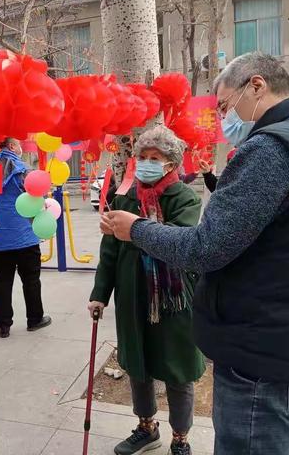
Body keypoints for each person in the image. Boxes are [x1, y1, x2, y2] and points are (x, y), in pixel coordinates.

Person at [101, 52, 289, 454]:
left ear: (257, 86)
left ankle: (178, 433)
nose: (225, 118)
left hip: (262, 354)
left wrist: (138, 229)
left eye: (226, 106)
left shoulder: (271, 148)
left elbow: (207, 246)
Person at [89, 127, 204, 455]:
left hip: (172, 298)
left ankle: (180, 437)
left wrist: (135, 231)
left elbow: (180, 240)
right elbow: (109, 249)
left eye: (156, 158)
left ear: (171, 164)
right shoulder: (126, 197)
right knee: (137, 363)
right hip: (132, 295)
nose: (147, 163)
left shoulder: (184, 197)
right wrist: (100, 293)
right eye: (142, 157)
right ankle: (146, 426)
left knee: (177, 369)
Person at [0, 137, 51, 338]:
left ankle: (3, 325)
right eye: (19, 144)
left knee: (2, 280)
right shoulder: (22, 169)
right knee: (31, 279)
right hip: (24, 235)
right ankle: (34, 319)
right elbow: (38, 195)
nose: (21, 148)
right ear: (12, 146)